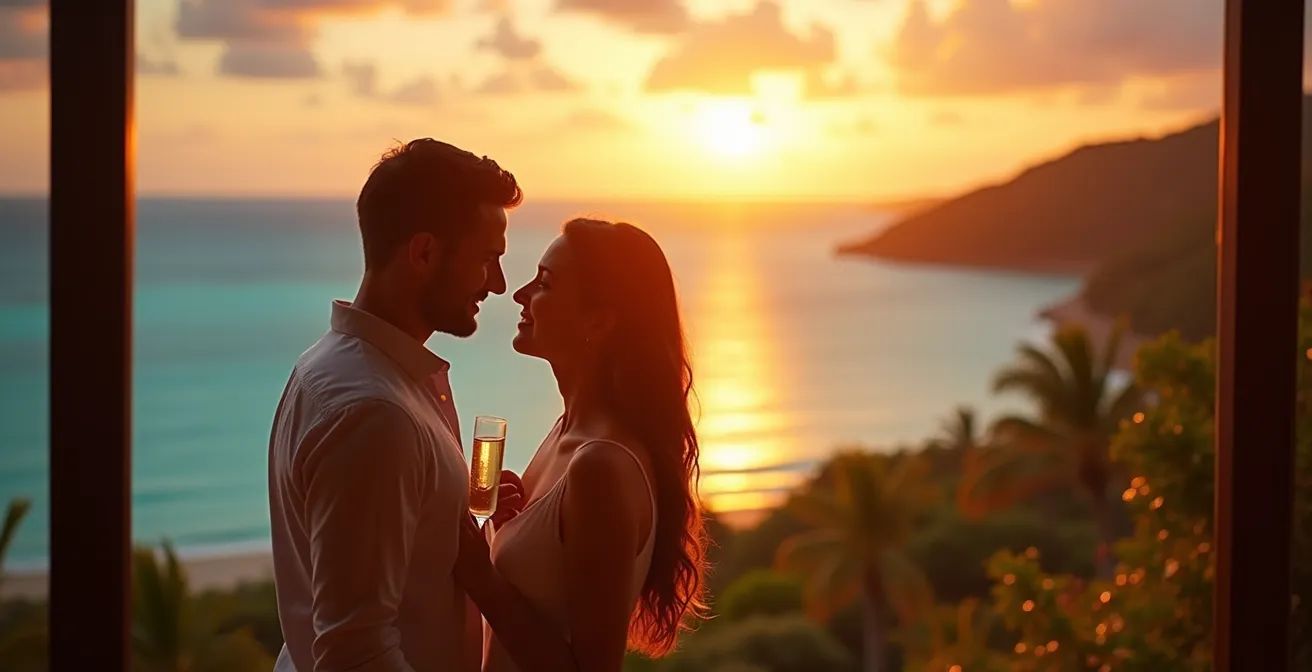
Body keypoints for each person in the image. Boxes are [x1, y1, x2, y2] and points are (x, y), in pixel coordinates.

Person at [267, 138, 571, 671]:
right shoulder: (374, 413)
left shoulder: (337, 367)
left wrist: (446, 519)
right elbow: (356, 654)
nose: (498, 285)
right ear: (425, 252)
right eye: (486, 259)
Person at [456, 218, 710, 672]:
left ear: (600, 319)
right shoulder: (564, 433)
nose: (520, 294)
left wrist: (480, 575)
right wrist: (510, 526)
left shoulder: (602, 465)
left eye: (545, 283)